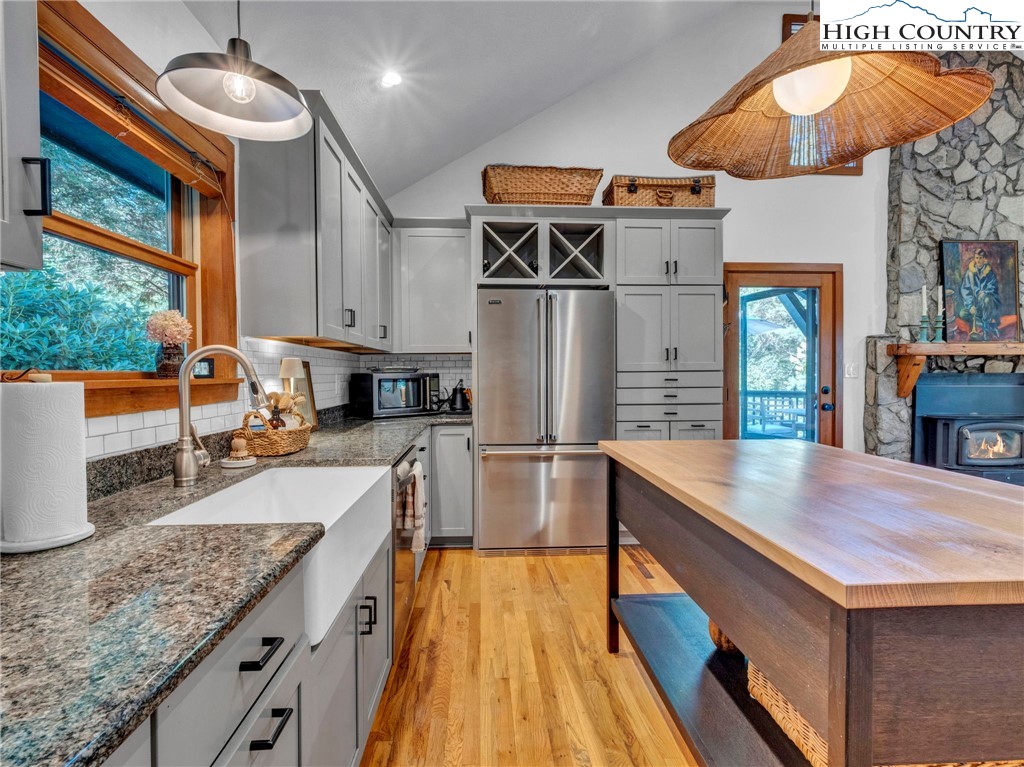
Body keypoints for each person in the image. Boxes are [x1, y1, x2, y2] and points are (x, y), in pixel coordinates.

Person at [957, 246, 1001, 339]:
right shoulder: (969, 273)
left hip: (987, 305)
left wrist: (985, 292)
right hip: (976, 305)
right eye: (976, 258)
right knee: (962, 313)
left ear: (984, 259)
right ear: (974, 258)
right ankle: (988, 325)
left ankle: (985, 330)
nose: (978, 260)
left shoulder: (989, 273)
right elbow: (965, 290)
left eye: (980, 258)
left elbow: (993, 287)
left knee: (987, 299)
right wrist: (970, 306)